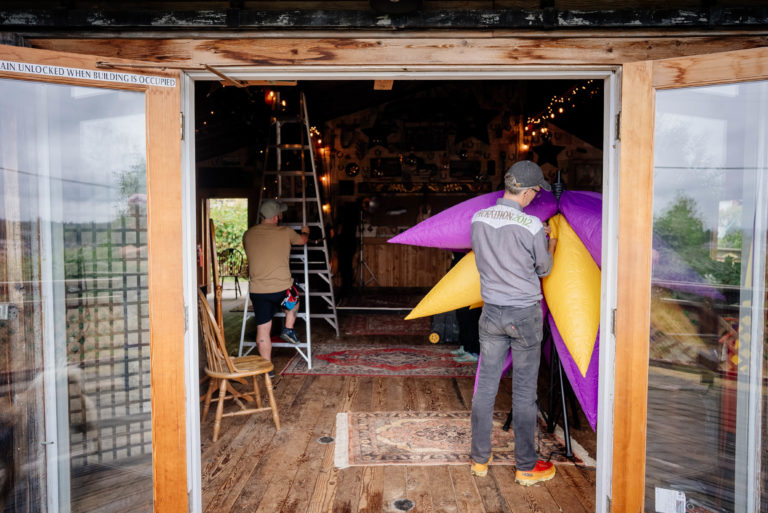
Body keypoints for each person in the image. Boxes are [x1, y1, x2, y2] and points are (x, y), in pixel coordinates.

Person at [469, 160, 558, 486]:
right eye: (536, 192)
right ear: (530, 192)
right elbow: (543, 269)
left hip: (491, 312)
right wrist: (550, 243)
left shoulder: (478, 218)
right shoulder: (532, 225)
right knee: (523, 393)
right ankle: (526, 467)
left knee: (485, 388)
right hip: (523, 314)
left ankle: (479, 459)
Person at [242, 199, 309, 373]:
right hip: (282, 290)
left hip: (258, 291)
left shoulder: (248, 235)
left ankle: (267, 369)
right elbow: (302, 241)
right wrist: (305, 231)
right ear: (276, 217)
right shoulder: (285, 232)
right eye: (279, 213)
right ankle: (288, 329)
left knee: (263, 329)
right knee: (294, 298)